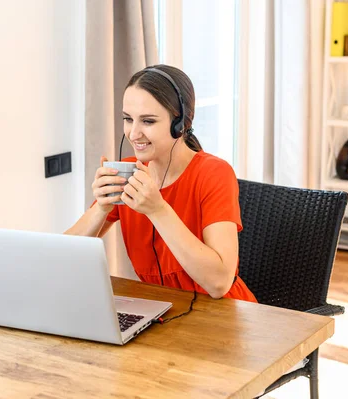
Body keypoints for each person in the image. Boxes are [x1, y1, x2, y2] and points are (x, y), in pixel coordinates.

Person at [65, 64, 256, 303]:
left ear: (181, 124)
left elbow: (219, 284)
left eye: (148, 121)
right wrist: (101, 209)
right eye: (128, 119)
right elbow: (61, 258)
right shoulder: (129, 173)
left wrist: (158, 210)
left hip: (223, 315)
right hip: (163, 311)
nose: (133, 134)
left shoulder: (213, 174)